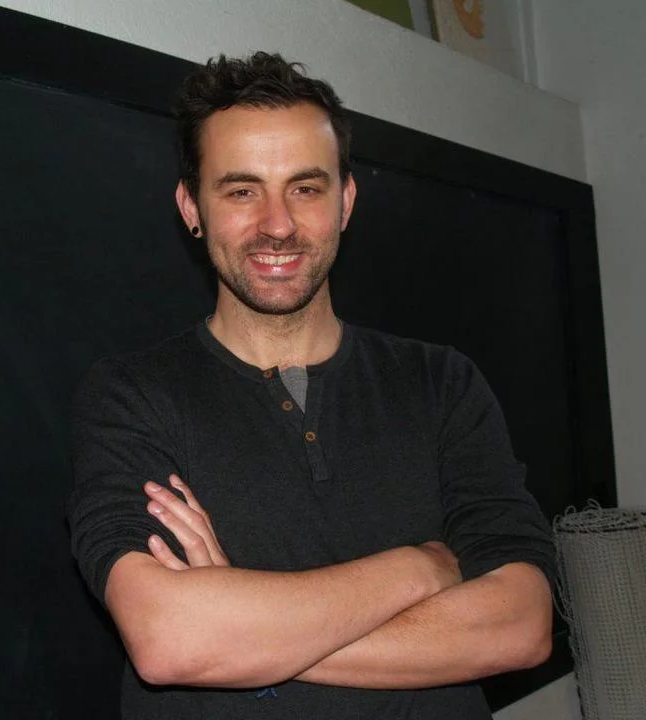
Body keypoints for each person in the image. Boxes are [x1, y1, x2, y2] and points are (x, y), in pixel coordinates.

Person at [67, 52, 555, 719]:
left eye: (305, 188)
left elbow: (521, 624)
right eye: (241, 191)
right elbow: (171, 639)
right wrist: (423, 566)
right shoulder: (130, 396)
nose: (277, 224)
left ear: (345, 201)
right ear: (191, 207)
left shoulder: (442, 384)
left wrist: (243, 631)